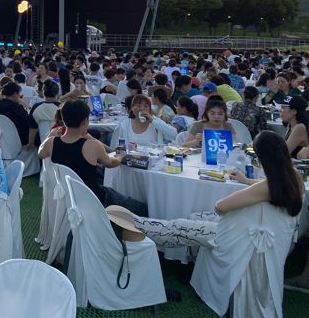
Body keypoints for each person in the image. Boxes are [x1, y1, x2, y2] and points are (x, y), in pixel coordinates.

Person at [132, 131, 304, 248]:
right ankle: (190, 263)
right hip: (265, 231)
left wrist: (249, 187)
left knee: (177, 227)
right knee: (194, 216)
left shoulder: (265, 187)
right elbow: (270, 188)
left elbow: (220, 206)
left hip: (242, 236)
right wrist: (247, 181)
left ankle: (136, 225)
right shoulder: (293, 177)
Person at [38, 99, 147, 215]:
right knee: (141, 208)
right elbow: (111, 163)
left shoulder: (50, 143)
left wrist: (50, 136)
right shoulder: (92, 145)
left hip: (66, 196)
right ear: (85, 121)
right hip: (93, 198)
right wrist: (120, 156)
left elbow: (40, 153)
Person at [0, 82, 38, 150]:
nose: (20, 96)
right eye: (19, 94)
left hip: (2, 139)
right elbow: (28, 123)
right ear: (15, 94)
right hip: (20, 139)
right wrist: (25, 105)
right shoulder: (17, 108)